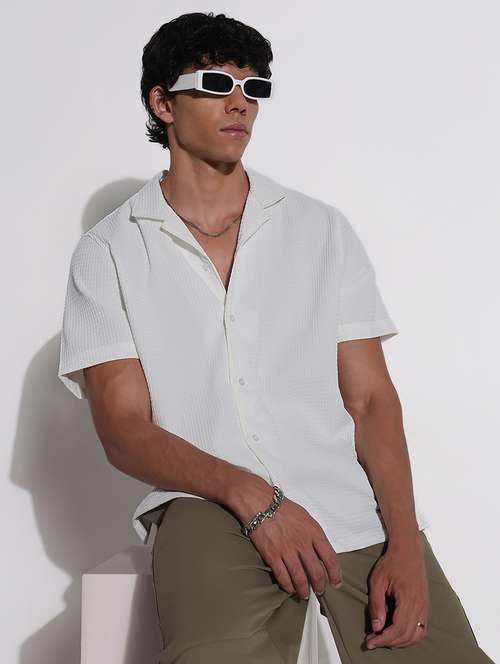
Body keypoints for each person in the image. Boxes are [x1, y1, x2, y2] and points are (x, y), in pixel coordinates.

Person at [57, 11, 494, 664]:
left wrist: (405, 543)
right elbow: (124, 429)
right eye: (215, 83)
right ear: (162, 103)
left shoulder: (321, 230)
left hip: (343, 501)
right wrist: (252, 494)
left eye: (254, 88)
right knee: (216, 655)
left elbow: (372, 400)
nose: (240, 102)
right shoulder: (108, 252)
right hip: (203, 504)